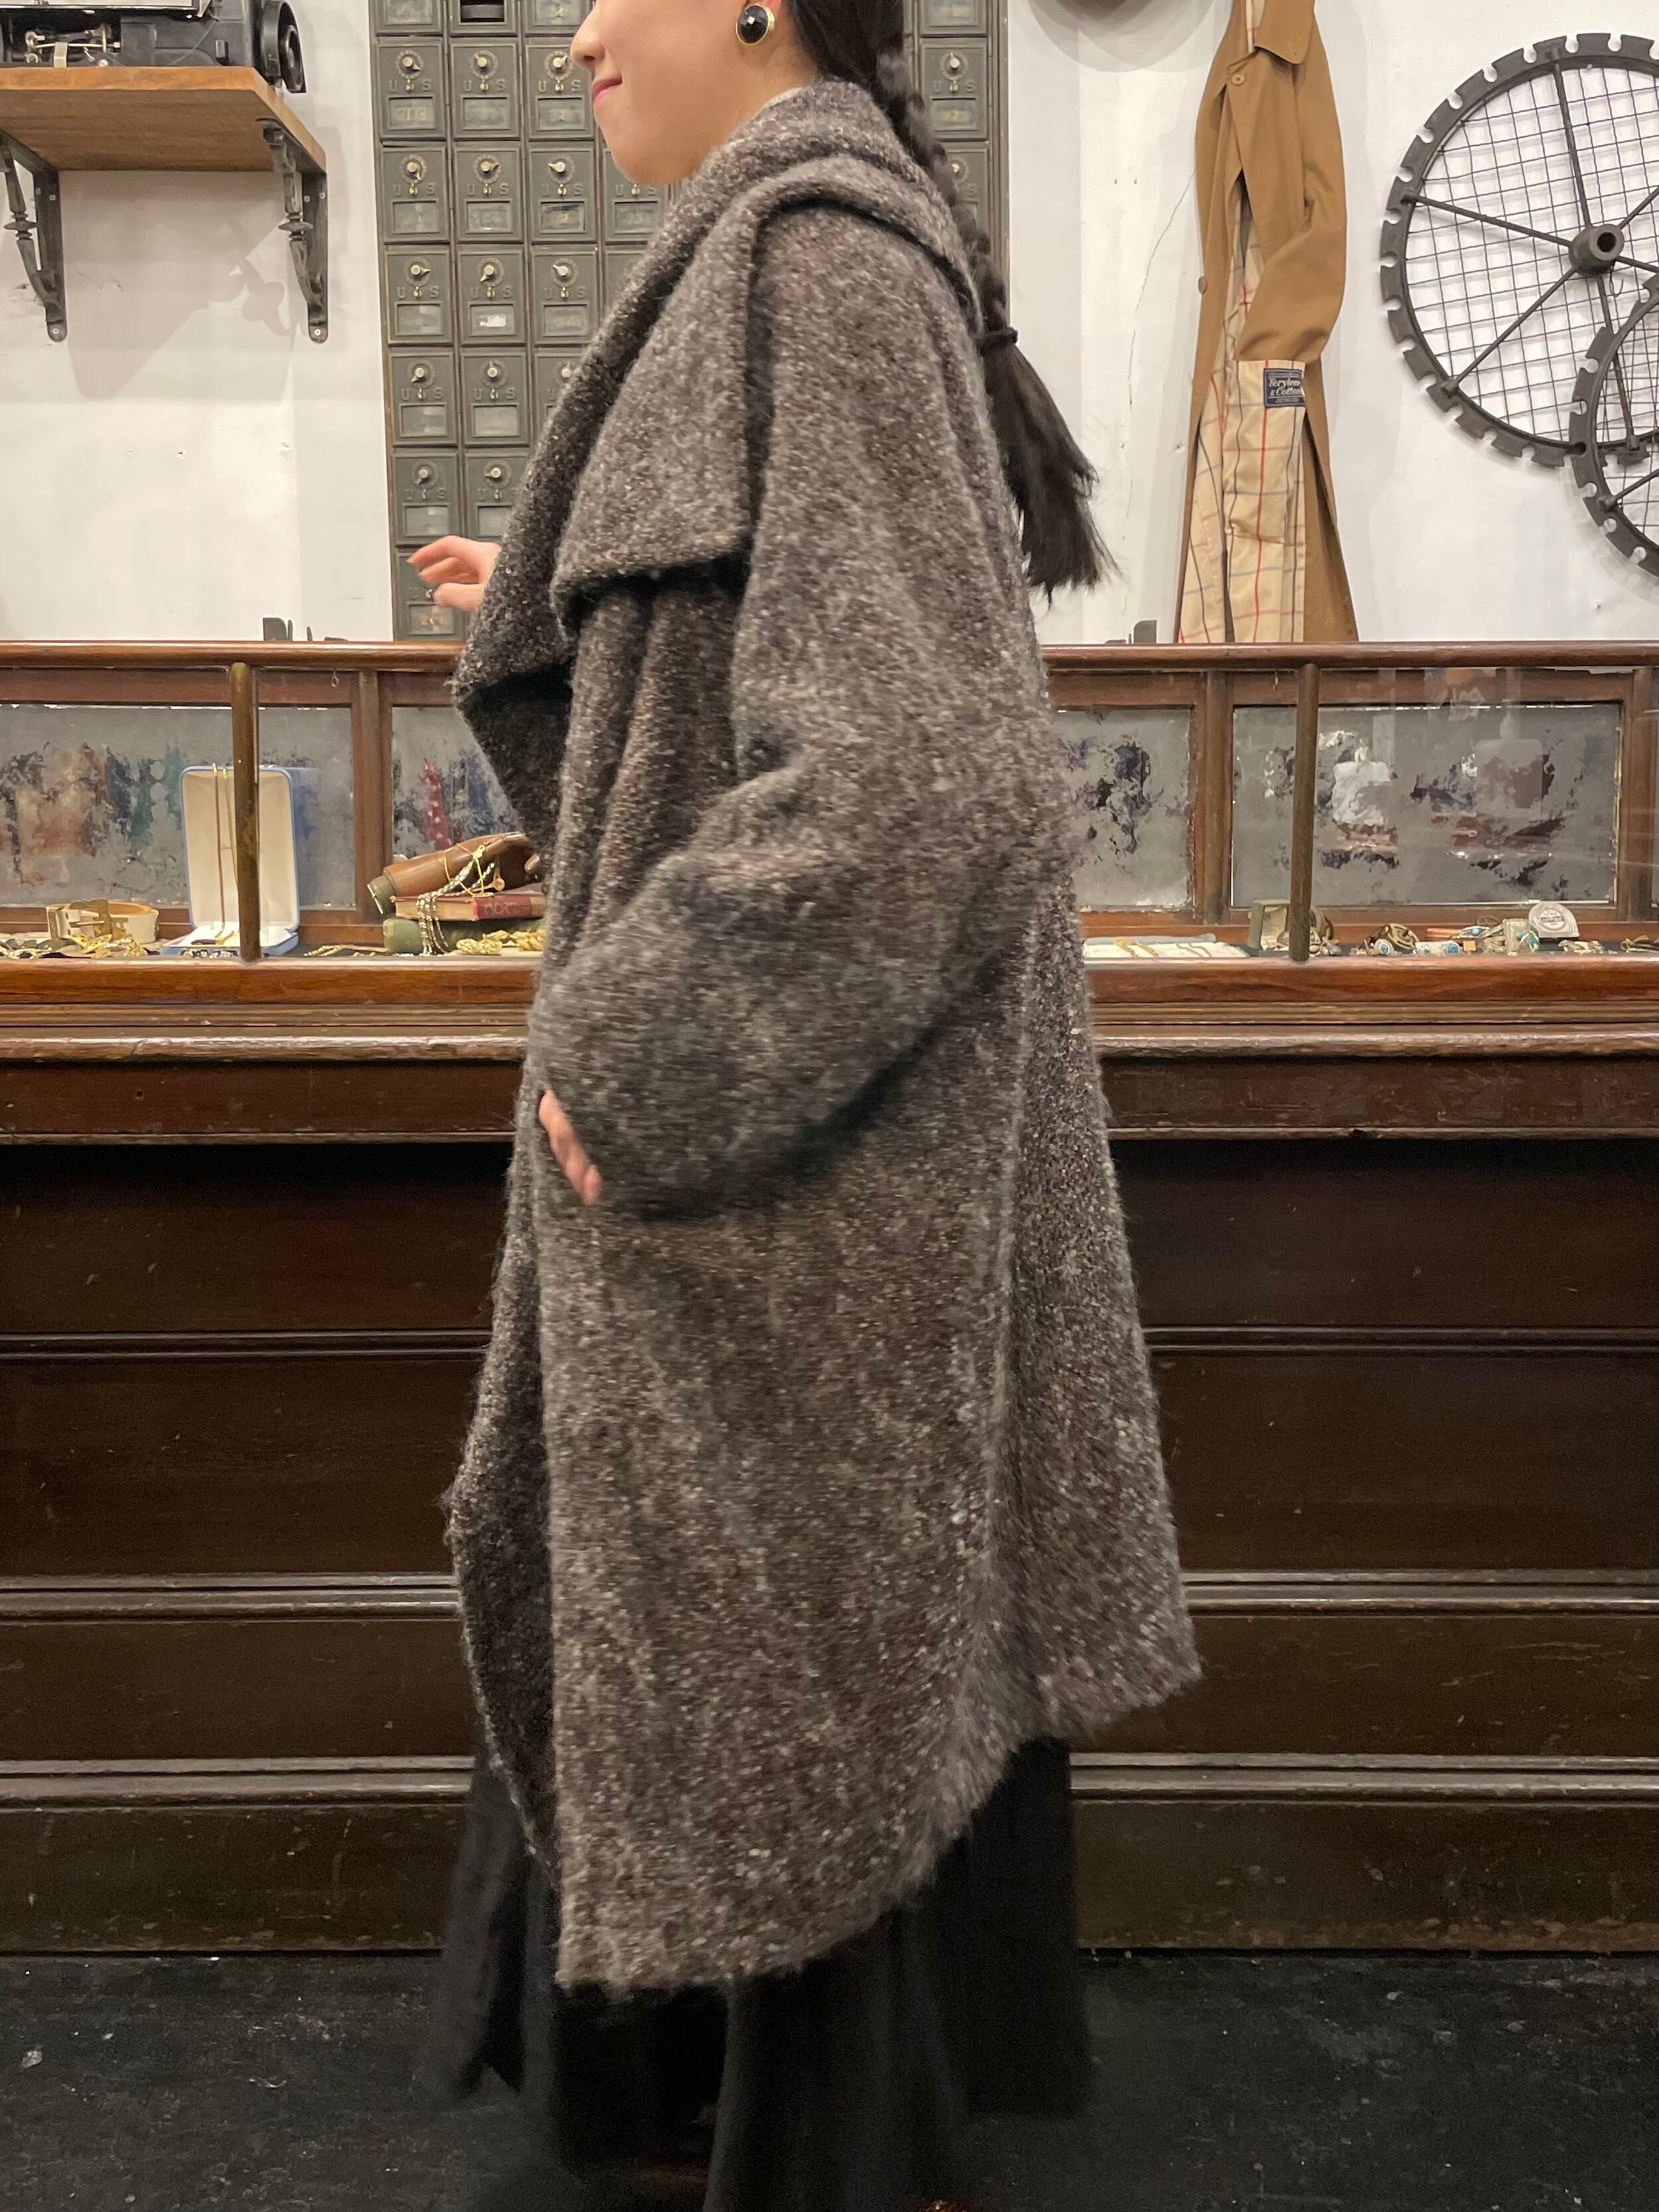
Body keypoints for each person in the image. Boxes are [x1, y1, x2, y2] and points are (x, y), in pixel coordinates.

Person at [409, 3, 1201, 2207]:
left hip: (797, 1174)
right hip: (802, 1172)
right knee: (790, 1672)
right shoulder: (794, 249)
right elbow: (825, 684)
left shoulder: (821, 258)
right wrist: (591, 626)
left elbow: (922, 778)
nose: (575, 30)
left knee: (801, 1682)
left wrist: (635, 1050)